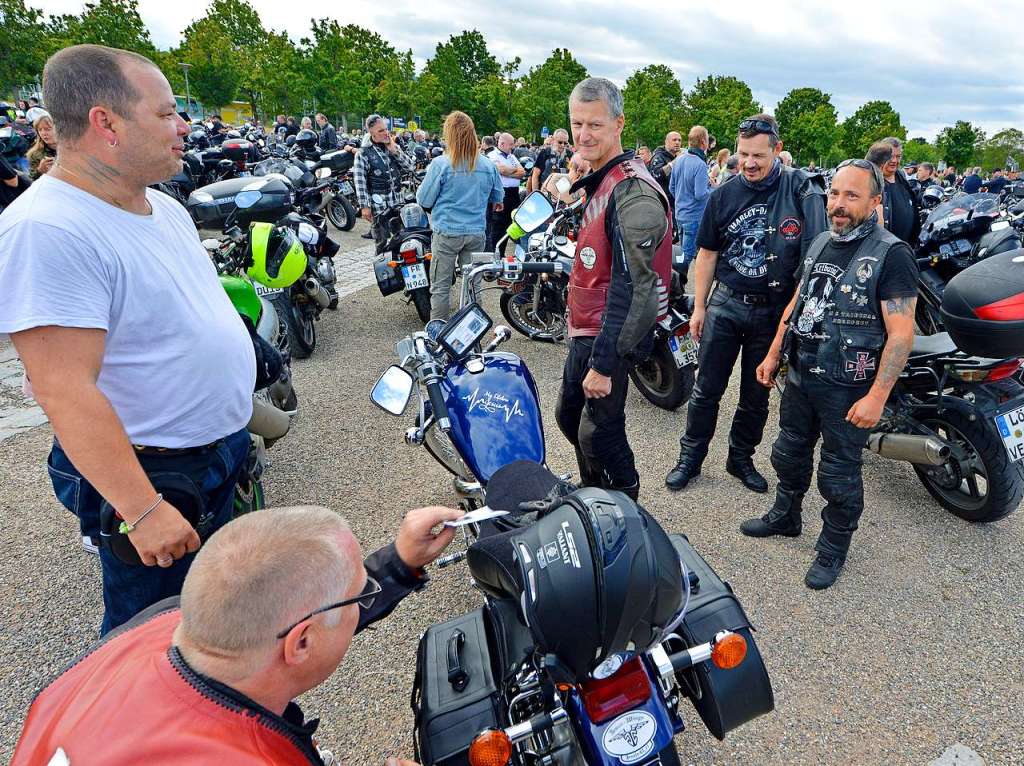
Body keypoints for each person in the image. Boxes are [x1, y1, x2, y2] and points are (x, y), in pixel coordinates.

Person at [0, 45, 255, 633]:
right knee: (155, 640)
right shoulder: (49, 230)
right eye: (166, 113)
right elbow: (64, 390)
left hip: (214, 456)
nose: (183, 125)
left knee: (222, 621)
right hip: (158, 477)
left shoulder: (162, 208)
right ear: (105, 123)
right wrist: (142, 511)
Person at [12, 504, 462, 764]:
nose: (364, 596)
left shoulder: (161, 625)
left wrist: (399, 563)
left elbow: (278, 615)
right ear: (300, 643)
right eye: (358, 594)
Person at [747, 159, 918, 589]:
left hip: (849, 386)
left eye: (851, 195)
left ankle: (833, 546)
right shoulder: (823, 240)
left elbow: (900, 335)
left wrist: (877, 397)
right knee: (787, 453)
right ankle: (786, 517)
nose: (838, 204)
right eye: (835, 194)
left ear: (875, 201)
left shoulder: (892, 254)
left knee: (838, 475)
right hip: (802, 374)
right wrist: (772, 355)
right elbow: (797, 302)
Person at [665, 114, 827, 493]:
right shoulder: (724, 193)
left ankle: (741, 459)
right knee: (706, 389)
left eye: (758, 155)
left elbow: (813, 258)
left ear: (777, 150)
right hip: (726, 303)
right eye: (743, 154)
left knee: (757, 395)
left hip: (772, 311)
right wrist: (700, 307)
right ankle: (691, 457)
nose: (749, 163)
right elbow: (706, 254)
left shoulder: (800, 191)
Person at [556, 78, 673, 501]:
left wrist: (605, 365)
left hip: (609, 333)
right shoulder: (604, 178)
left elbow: (634, 288)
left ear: (619, 124)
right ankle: (593, 494)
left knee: (598, 432)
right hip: (587, 326)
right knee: (569, 416)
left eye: (595, 126)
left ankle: (623, 499)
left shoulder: (633, 190)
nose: (583, 135)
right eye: (577, 124)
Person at [416, 110, 504, 321]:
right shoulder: (487, 165)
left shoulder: (441, 164)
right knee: (474, 285)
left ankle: (438, 335)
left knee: (440, 287)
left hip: (447, 231)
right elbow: (498, 199)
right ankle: (473, 334)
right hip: (476, 232)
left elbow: (424, 200)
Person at [353, 113, 416, 253]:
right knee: (382, 245)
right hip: (379, 207)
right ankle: (385, 273)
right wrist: (365, 207)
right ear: (371, 132)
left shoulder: (393, 147)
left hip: (398, 204)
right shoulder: (363, 153)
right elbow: (360, 181)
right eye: (380, 130)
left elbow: (410, 167)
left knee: (402, 242)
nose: (385, 133)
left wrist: (394, 150)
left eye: (386, 129)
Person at [668, 125, 712, 284]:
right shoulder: (700, 164)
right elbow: (700, 194)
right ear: (703, 142)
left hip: (680, 213)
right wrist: (713, 190)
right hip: (693, 216)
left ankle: (675, 280)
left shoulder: (679, 160)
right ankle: (677, 283)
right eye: (707, 140)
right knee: (687, 253)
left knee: (681, 250)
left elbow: (671, 188)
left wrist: (681, 200)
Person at [875, 137, 920, 245]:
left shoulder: (901, 176)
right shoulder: (872, 181)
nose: (894, 160)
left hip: (905, 246)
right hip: (884, 250)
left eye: (898, 156)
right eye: (890, 156)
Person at [487, 132, 525, 252]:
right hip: (501, 194)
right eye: (510, 145)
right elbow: (501, 170)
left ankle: (509, 255)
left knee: (514, 225)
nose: (512, 147)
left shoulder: (512, 157)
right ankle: (496, 254)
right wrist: (514, 171)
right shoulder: (492, 155)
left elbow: (522, 173)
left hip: (514, 195)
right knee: (498, 228)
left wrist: (509, 171)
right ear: (502, 144)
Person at [530, 128, 572, 193]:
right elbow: (535, 175)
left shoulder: (570, 154)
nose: (563, 145)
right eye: (560, 142)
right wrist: (536, 194)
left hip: (563, 194)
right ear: (553, 140)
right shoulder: (545, 153)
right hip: (545, 192)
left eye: (565, 143)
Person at [649, 130, 682, 204]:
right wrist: (673, 163)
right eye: (674, 140)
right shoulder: (658, 156)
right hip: (663, 201)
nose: (677, 142)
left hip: (677, 200)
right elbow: (656, 174)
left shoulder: (678, 157)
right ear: (666, 142)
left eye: (679, 140)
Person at [27, 112, 57, 179]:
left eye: (47, 129)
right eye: (40, 130)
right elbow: (32, 180)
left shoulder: (71, 147)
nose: (43, 133)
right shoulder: (34, 154)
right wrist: (40, 170)